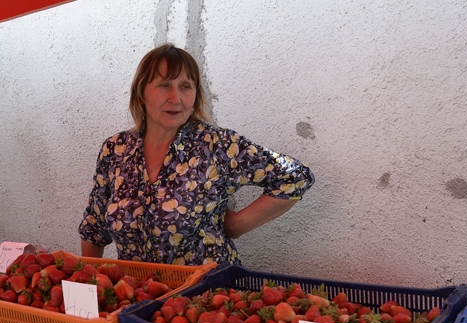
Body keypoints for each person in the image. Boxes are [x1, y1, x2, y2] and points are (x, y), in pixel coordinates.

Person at [79, 44, 315, 266]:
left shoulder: (216, 145)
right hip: (138, 295)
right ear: (141, 92)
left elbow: (295, 177)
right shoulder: (116, 149)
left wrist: (236, 225)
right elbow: (94, 226)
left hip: (206, 299)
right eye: (164, 85)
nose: (176, 98)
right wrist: (90, 288)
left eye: (186, 86)